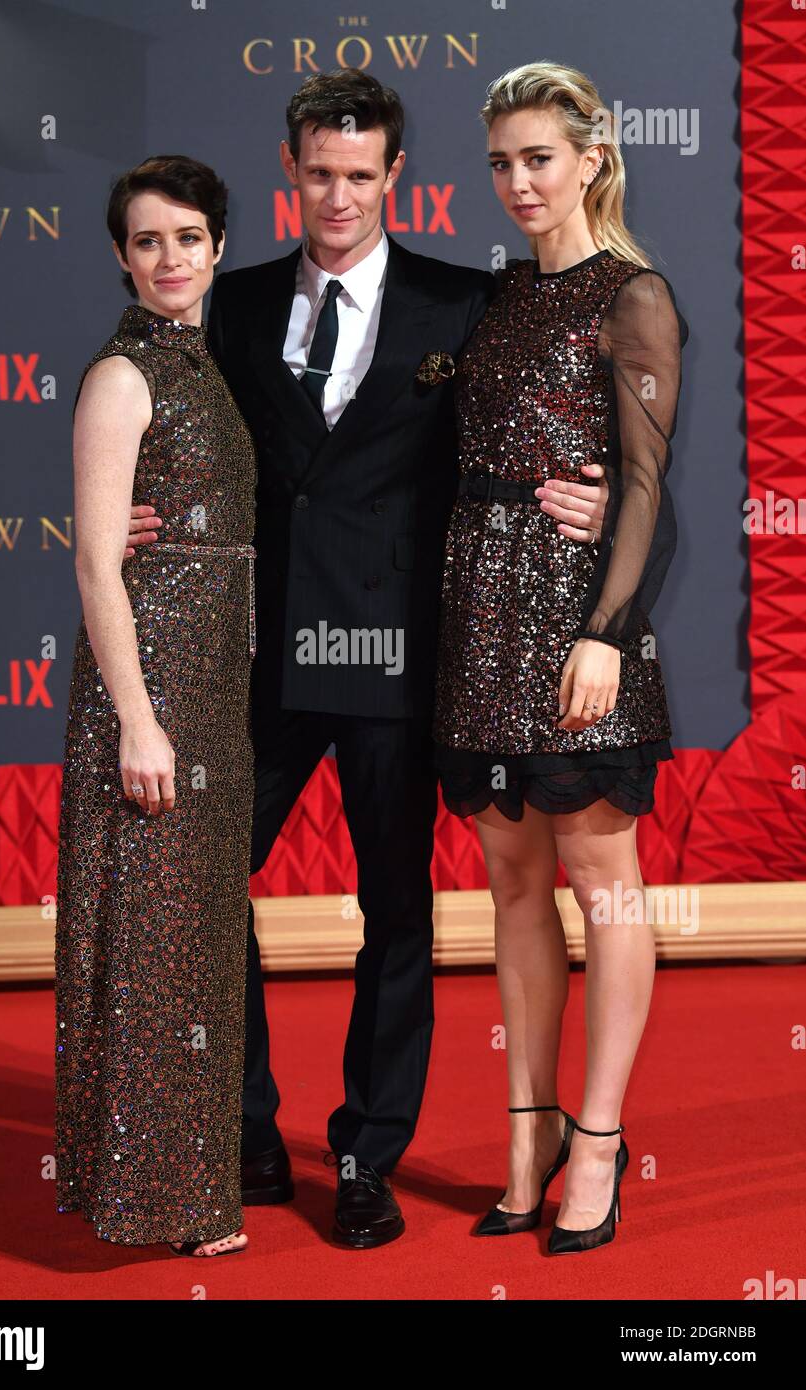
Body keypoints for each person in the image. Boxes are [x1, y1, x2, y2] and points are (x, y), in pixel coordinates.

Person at [125, 70, 608, 1249]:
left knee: (395, 912)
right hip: (258, 657)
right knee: (203, 889)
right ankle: (245, 1130)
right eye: (317, 171)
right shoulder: (225, 306)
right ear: (290, 170)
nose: (337, 194)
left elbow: (543, 413)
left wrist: (593, 491)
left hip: (398, 657)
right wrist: (135, 511)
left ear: (395, 177)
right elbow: (155, 418)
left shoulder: (466, 300)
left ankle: (363, 1154)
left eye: (360, 174)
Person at [433, 62, 688, 1253]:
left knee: (605, 881)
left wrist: (603, 630)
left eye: (539, 156)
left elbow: (642, 484)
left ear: (591, 156)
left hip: (583, 631)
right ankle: (524, 1136)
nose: (518, 181)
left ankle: (598, 1139)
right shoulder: (487, 304)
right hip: (479, 628)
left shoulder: (632, 296)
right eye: (500, 161)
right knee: (515, 890)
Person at [54, 155, 256, 1259]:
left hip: (211, 690)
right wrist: (137, 716)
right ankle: (149, 1198)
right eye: (147, 241)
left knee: (192, 952)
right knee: (150, 946)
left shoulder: (203, 367)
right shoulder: (122, 376)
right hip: (154, 694)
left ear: (217, 246)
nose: (169, 258)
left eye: (187, 237)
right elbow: (94, 563)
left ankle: (172, 1193)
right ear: (120, 256)